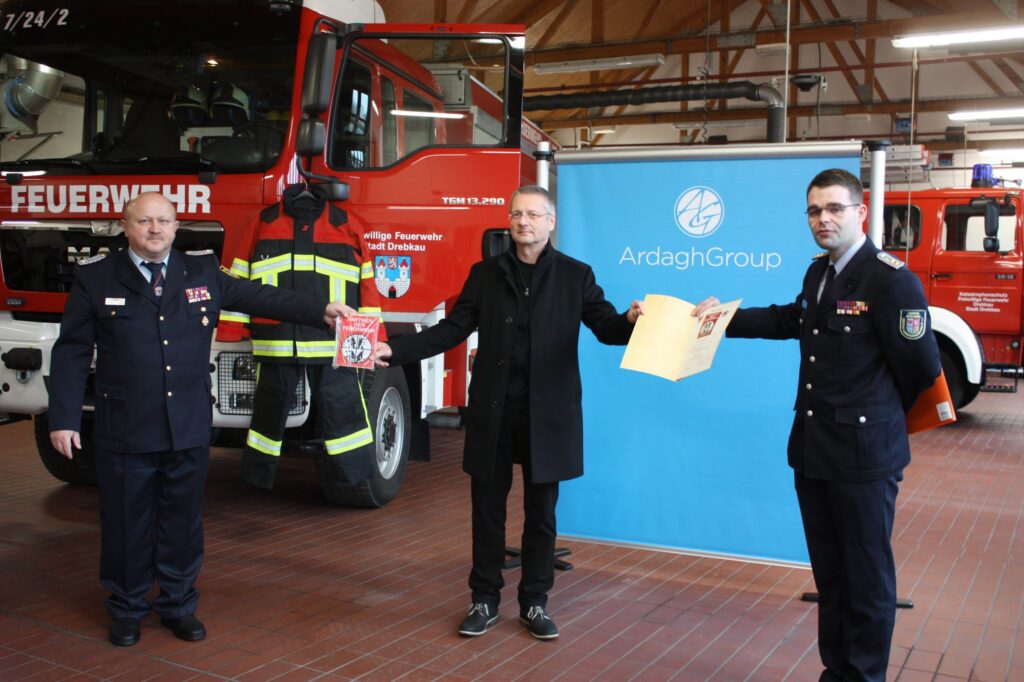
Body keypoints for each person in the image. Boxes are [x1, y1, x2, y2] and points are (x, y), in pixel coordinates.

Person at [47, 192, 354, 647]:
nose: (156, 229)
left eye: (164, 221)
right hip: (126, 427)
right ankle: (127, 609)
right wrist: (64, 418)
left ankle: (177, 605)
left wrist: (320, 309)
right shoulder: (96, 278)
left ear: (176, 226)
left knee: (182, 523)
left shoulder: (203, 270)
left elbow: (260, 295)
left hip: (186, 425)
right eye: (145, 221)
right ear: (125, 227)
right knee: (126, 525)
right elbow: (71, 351)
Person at [694, 168, 941, 681]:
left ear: (861, 213)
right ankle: (838, 672)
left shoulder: (892, 281)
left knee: (866, 580)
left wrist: (875, 421)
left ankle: (864, 675)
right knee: (831, 576)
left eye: (834, 208)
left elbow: (919, 370)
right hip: (814, 453)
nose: (822, 219)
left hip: (864, 458)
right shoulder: (819, 273)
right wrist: (722, 318)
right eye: (814, 210)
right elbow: (789, 320)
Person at [372, 185, 643, 640]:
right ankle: (484, 599)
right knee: (487, 512)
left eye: (534, 215)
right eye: (517, 214)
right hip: (493, 413)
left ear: (551, 222)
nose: (524, 222)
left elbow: (607, 328)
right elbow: (451, 330)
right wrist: (393, 350)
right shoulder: (485, 274)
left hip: (549, 416)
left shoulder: (577, 276)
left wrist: (632, 321)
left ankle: (535, 603)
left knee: (541, 516)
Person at [240, 184, 383, 493]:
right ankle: (257, 477)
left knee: (344, 408)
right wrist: (232, 328)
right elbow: (239, 279)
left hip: (333, 342)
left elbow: (368, 285)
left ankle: (355, 476)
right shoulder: (262, 221)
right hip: (278, 340)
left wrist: (372, 339)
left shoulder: (347, 224)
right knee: (268, 411)